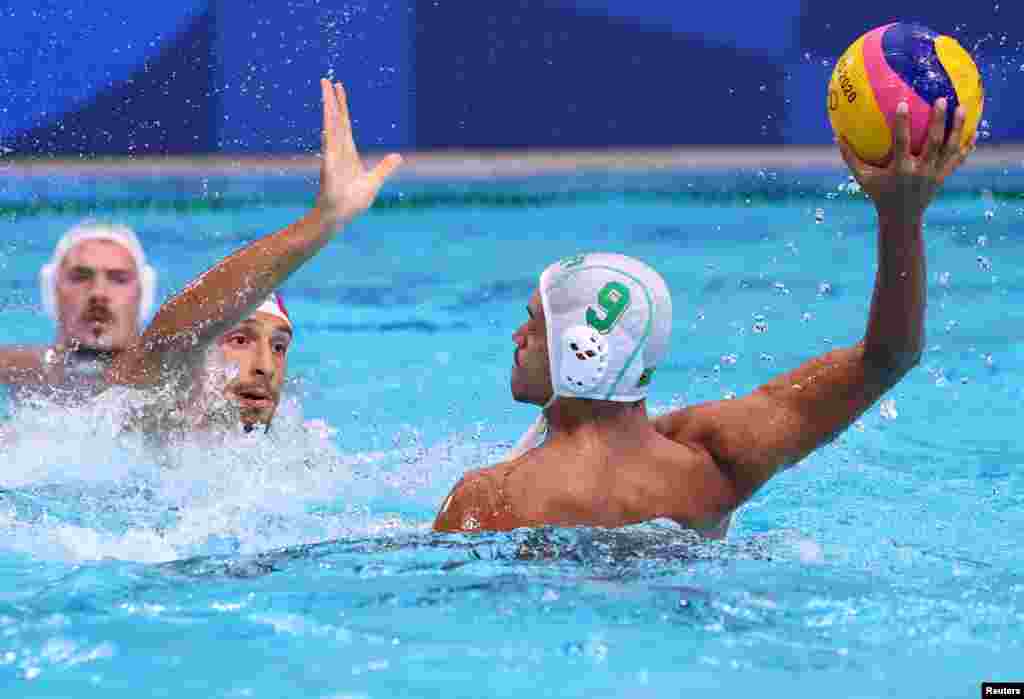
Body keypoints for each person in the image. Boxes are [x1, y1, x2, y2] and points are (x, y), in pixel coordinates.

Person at [433, 98, 975, 538]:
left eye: (535, 323)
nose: (518, 337)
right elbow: (888, 357)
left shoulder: (492, 499)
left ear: (583, 348)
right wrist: (901, 215)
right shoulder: (714, 461)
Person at [106, 79, 402, 434]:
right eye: (240, 340)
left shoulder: (296, 464)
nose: (265, 367)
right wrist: (323, 221)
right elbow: (175, 325)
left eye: (279, 347)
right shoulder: (140, 415)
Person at [0, 221, 156, 398]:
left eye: (118, 279)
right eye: (80, 277)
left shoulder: (177, 376)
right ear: (53, 291)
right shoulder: (12, 370)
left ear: (143, 294)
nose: (98, 292)